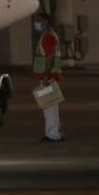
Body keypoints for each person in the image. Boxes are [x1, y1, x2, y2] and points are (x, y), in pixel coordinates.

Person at [32, 13, 65, 142]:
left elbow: (50, 57)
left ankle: (52, 134)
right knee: (52, 106)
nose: (36, 23)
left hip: (48, 77)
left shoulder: (47, 37)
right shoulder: (50, 35)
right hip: (51, 76)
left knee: (49, 107)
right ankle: (56, 132)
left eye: (38, 20)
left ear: (45, 21)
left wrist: (46, 75)